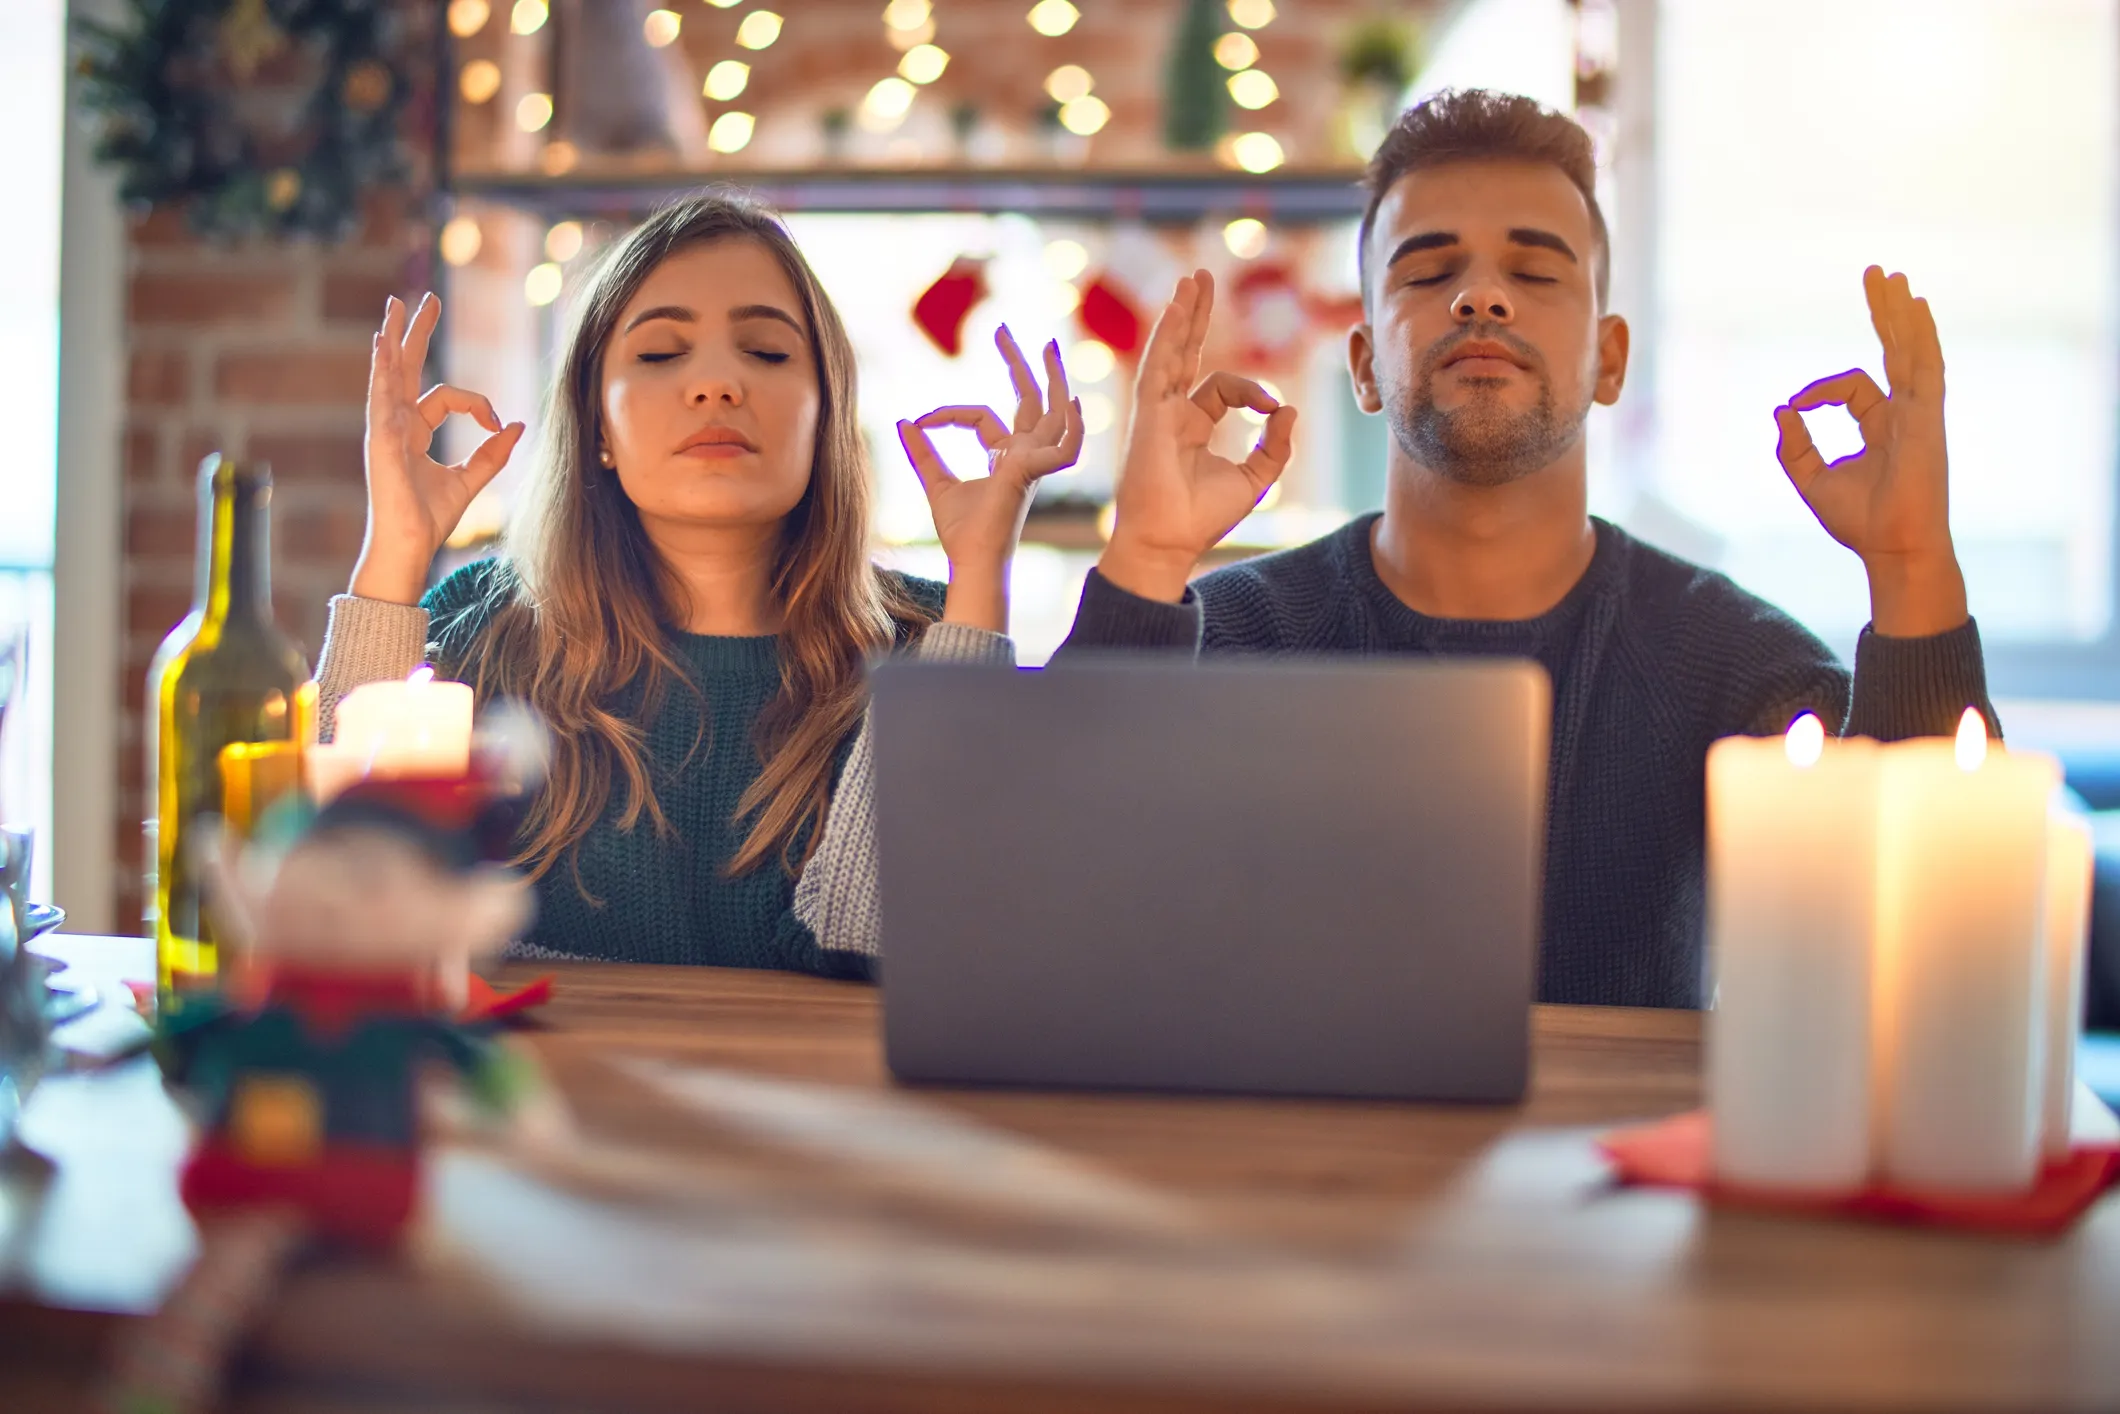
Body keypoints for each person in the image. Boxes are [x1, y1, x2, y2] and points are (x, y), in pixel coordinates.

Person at [1057, 88, 1994, 1008]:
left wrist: (1912, 569)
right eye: (1427, 273)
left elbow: (1933, 945)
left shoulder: (1738, 665)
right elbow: (1056, 902)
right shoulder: (1233, 637)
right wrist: (1142, 557)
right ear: (1364, 367)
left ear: (1611, 358)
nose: (1481, 298)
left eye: (1537, 272)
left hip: (1618, 1166)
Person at [314, 192, 1083, 976]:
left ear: (827, 415)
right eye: (659, 354)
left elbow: (896, 947)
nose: (717, 384)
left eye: (767, 352)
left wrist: (980, 576)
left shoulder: (935, 645)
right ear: (597, 426)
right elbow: (329, 898)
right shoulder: (480, 631)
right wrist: (396, 558)